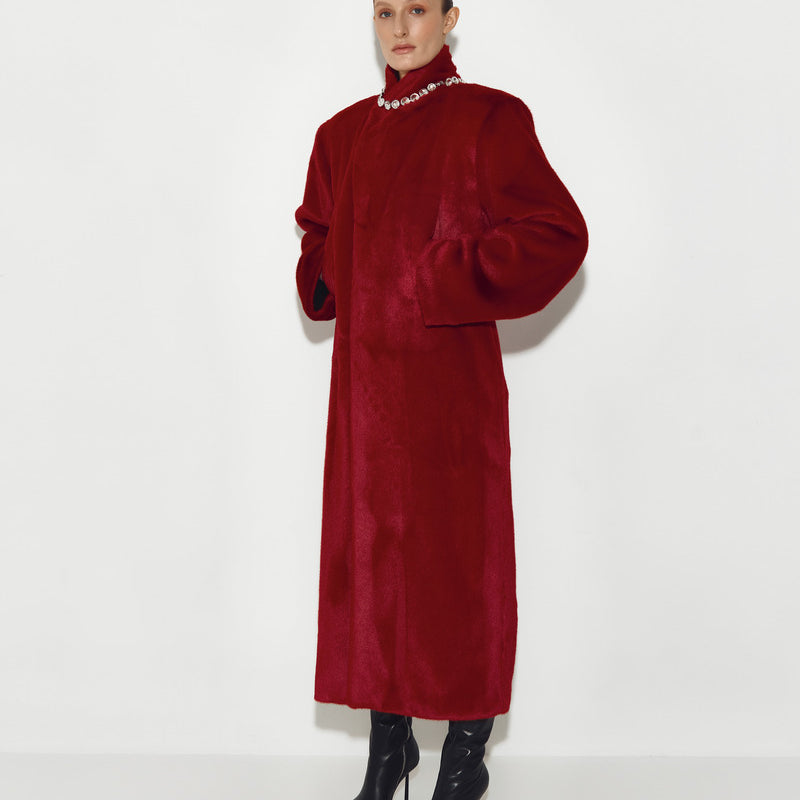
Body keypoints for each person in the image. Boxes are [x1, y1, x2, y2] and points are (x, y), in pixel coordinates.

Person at [295, 1, 588, 797]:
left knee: (459, 574)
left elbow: (558, 233)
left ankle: (465, 756)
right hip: (363, 406)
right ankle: (388, 750)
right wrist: (334, 270)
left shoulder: (488, 120)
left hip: (449, 399)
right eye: (385, 11)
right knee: (372, 572)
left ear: (451, 16)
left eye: (417, 9)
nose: (400, 28)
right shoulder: (339, 135)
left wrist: (436, 277)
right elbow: (317, 243)